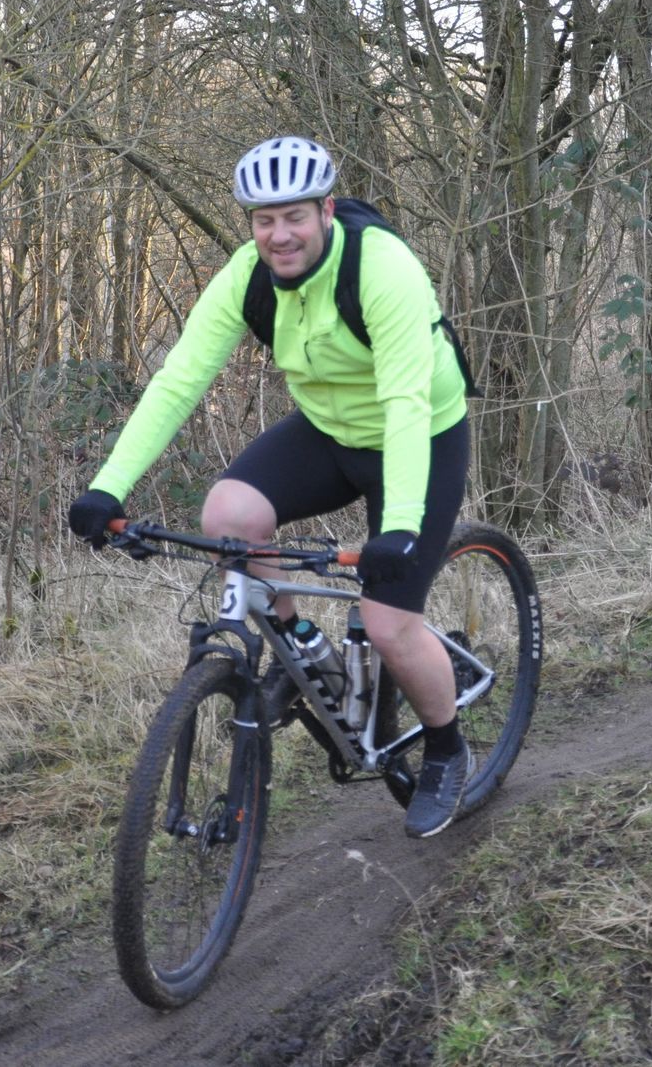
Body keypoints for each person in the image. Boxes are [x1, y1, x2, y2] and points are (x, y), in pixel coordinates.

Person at [66, 135, 476, 837]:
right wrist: (108, 486)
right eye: (264, 220)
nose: (280, 234)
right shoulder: (246, 277)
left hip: (420, 436)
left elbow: (406, 401)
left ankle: (446, 748)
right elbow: (179, 380)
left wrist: (399, 528)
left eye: (294, 217)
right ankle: (302, 645)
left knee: (388, 624)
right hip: (329, 431)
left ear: (326, 211)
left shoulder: (383, 268)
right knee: (229, 514)